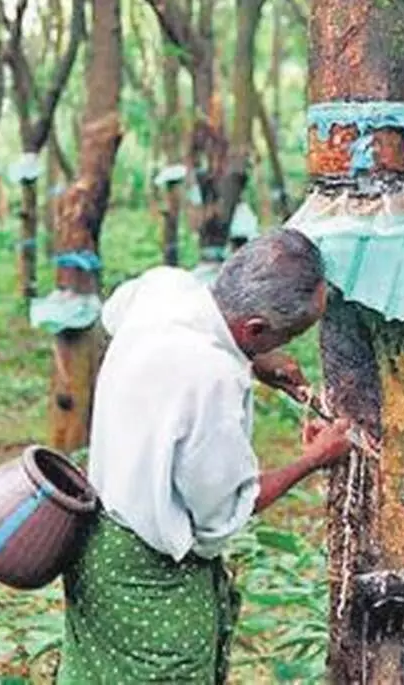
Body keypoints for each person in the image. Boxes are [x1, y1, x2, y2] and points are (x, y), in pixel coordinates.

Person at [58, 229, 353, 684]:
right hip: (149, 578)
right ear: (254, 328)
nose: (285, 347)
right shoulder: (212, 380)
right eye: (285, 336)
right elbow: (221, 514)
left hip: (96, 549)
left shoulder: (166, 289)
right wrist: (314, 458)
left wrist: (254, 359)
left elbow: (118, 313)